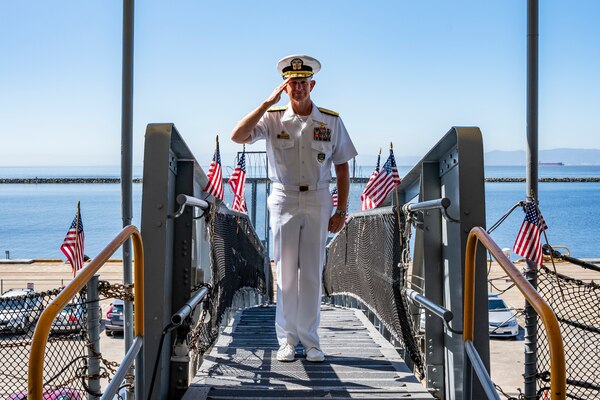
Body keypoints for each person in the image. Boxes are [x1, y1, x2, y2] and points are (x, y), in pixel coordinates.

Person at [231, 54, 357, 362]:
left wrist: (341, 210)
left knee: (312, 271)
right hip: (284, 198)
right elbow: (237, 136)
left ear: (312, 84)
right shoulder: (272, 118)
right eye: (292, 83)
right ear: (285, 88)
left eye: (303, 83)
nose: (298, 88)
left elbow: (341, 166)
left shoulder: (330, 120)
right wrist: (265, 102)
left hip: (318, 198)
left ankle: (311, 342)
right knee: (286, 273)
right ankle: (287, 340)